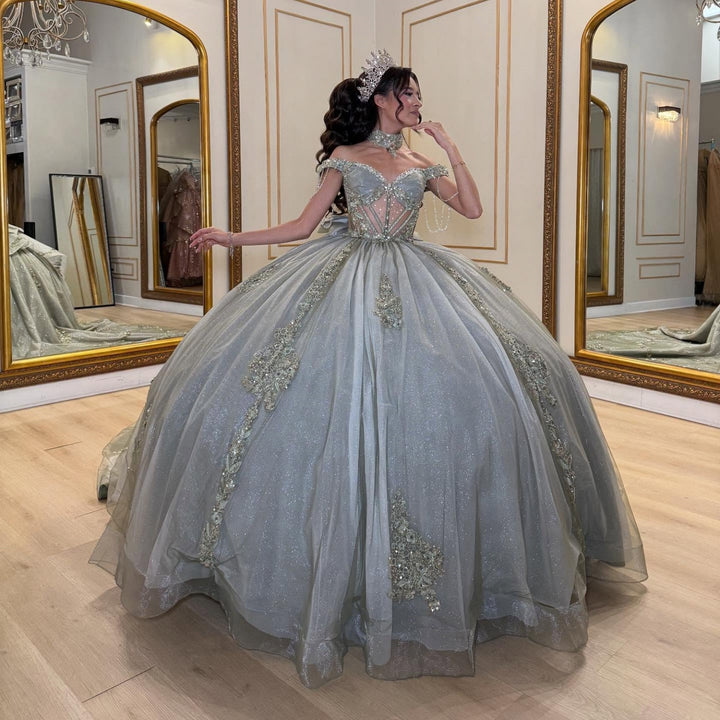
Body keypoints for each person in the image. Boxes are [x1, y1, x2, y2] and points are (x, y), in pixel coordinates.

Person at [90, 51, 647, 688]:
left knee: (482, 384)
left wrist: (448, 147)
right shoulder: (345, 158)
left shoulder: (421, 164)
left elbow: (471, 209)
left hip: (417, 275)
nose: (416, 102)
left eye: (417, 94)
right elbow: (304, 225)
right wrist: (229, 237)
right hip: (343, 274)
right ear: (381, 99)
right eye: (408, 93)